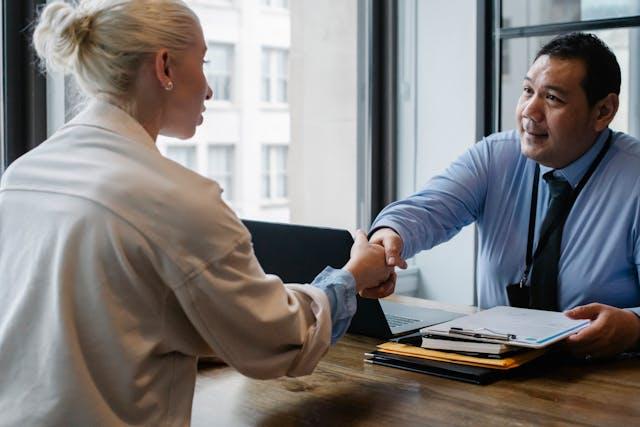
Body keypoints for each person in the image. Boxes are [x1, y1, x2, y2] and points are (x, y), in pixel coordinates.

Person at [0, 1, 395, 425]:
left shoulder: (21, 175)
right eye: (203, 63)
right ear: (165, 67)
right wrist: (352, 277)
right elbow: (278, 339)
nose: (209, 89)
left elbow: (102, 323)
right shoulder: (176, 199)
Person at [370, 32, 640, 360]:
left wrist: (634, 325)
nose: (530, 111)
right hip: (498, 371)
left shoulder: (634, 178)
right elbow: (428, 210)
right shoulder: (496, 156)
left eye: (553, 98)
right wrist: (388, 237)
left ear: (603, 111)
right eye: (528, 91)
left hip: (604, 382)